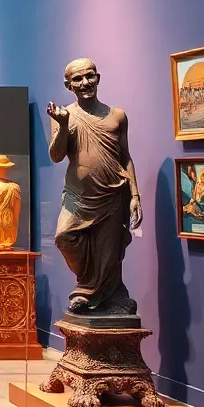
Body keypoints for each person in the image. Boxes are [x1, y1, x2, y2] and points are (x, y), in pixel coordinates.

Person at [47, 59, 142, 315]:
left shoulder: (117, 116)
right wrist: (63, 124)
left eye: (89, 76)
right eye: (77, 79)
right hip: (79, 196)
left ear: (98, 78)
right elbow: (56, 156)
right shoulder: (63, 115)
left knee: (109, 252)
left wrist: (135, 195)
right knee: (64, 236)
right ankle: (87, 288)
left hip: (113, 195)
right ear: (69, 86)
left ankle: (104, 298)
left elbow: (126, 157)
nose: (85, 83)